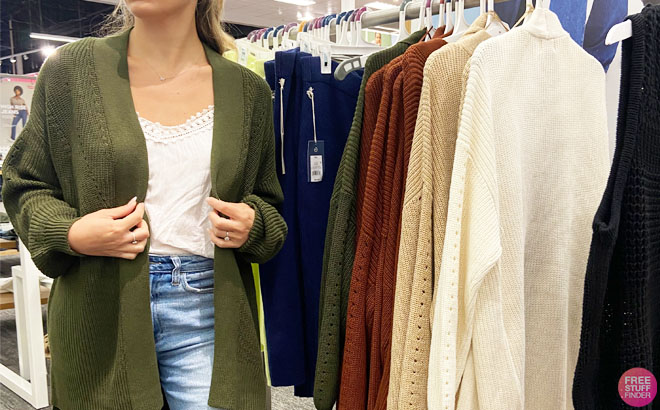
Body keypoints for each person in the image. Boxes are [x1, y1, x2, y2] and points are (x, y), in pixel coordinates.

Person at [1, 0, 287, 409]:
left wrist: (253, 225)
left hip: (207, 307)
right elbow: (24, 182)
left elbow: (269, 202)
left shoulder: (247, 91)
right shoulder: (71, 70)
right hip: (100, 306)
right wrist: (71, 233)